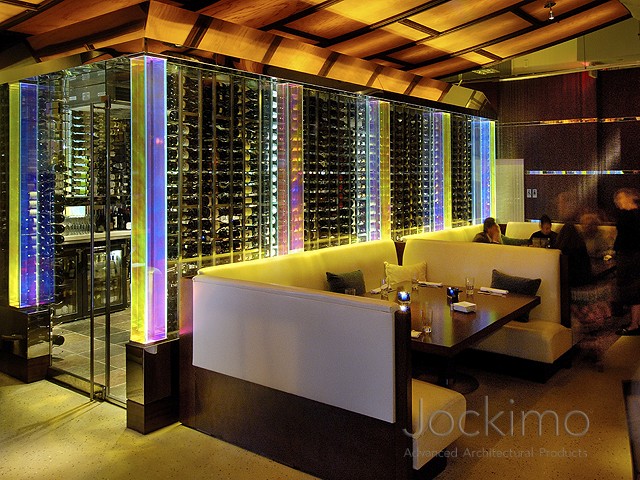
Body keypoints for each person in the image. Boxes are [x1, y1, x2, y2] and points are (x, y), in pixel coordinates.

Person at [612, 188, 640, 335]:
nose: (617, 202)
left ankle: (634, 325)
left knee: (631, 288)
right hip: (631, 255)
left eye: (620, 198)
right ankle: (635, 322)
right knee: (634, 288)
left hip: (630, 256)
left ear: (629, 198)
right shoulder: (632, 214)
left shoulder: (630, 215)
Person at [555, 222, 592, 287]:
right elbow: (586, 266)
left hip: (564, 282)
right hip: (581, 280)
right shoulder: (580, 245)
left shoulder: (559, 248)